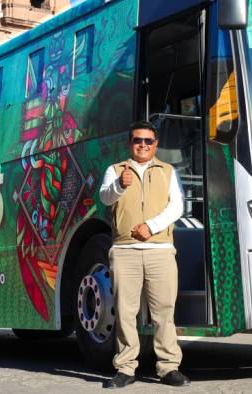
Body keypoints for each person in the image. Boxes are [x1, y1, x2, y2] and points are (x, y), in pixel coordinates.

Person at [98, 120, 189, 388]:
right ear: (130, 143)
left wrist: (151, 226)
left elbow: (178, 206)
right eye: (138, 140)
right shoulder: (114, 170)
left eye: (148, 141)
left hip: (160, 250)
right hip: (124, 251)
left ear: (155, 145)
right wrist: (119, 185)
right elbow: (104, 198)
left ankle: (168, 367)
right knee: (125, 312)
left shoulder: (168, 171)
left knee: (164, 311)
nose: (143, 145)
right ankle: (126, 368)